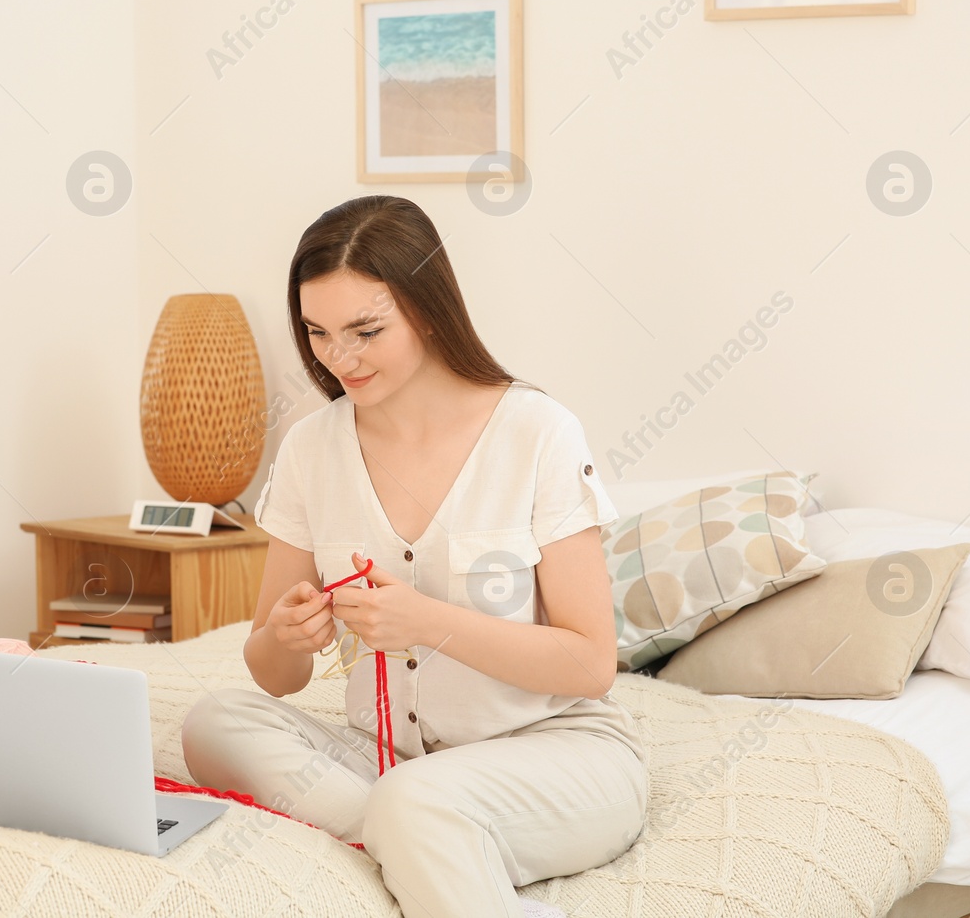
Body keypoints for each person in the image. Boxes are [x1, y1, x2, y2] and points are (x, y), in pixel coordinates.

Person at [180, 195, 649, 918]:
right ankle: (428, 840)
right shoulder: (311, 448)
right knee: (214, 722)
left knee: (410, 797)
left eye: (366, 330)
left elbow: (591, 663)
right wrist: (284, 635)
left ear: (429, 309)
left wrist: (428, 622)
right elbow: (273, 675)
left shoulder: (537, 433)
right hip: (383, 759)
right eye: (318, 332)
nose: (339, 358)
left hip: (555, 753)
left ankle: (419, 830)